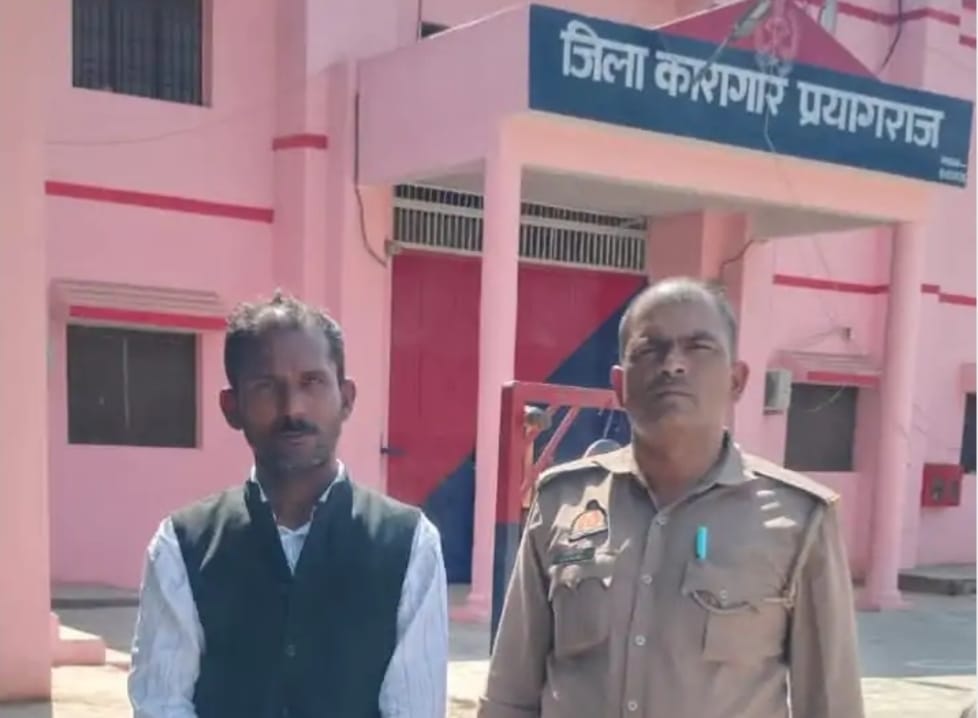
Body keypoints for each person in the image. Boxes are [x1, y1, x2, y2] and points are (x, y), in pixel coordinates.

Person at [479, 277, 864, 718]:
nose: (673, 365)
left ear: (736, 380)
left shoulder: (799, 521)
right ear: (620, 385)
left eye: (698, 347)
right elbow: (511, 694)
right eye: (650, 350)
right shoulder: (562, 502)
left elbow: (832, 707)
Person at [129, 291, 448, 718]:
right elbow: (162, 705)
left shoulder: (410, 545)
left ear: (346, 398)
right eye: (266, 386)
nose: (292, 407)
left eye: (312, 382)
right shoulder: (182, 547)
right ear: (231, 407)